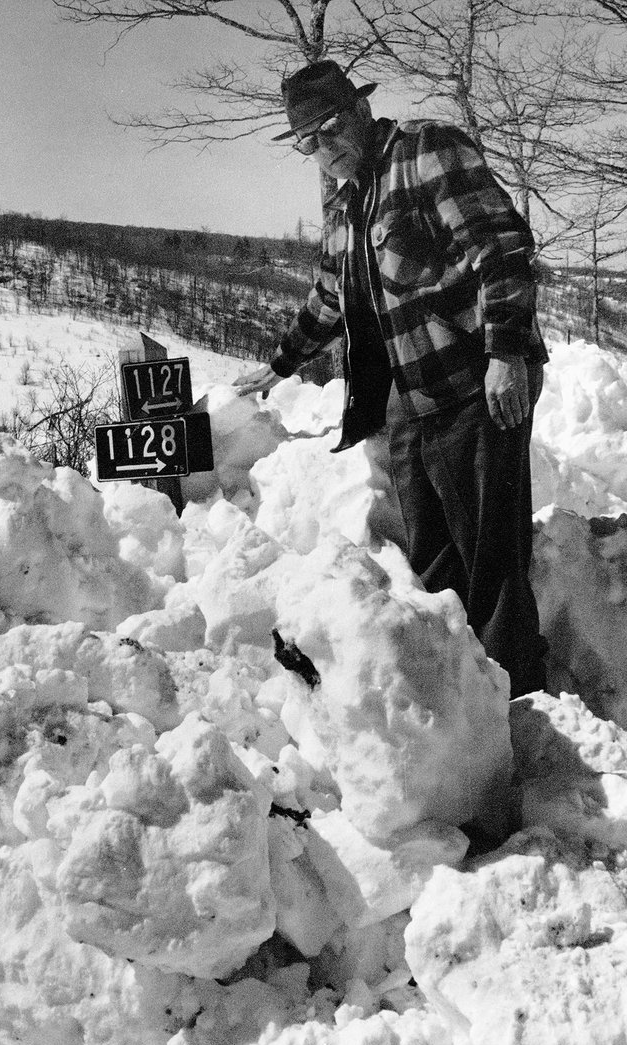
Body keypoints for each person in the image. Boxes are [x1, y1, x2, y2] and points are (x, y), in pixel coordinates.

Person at [234, 60, 549, 699]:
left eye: (329, 130)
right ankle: (461, 697)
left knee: (490, 557)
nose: (323, 151)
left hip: (474, 382)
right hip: (409, 395)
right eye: (307, 143)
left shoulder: (426, 151)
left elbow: (502, 249)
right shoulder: (345, 202)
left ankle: (519, 701)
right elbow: (331, 295)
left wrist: (507, 355)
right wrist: (281, 362)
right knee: (430, 555)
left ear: (360, 110)